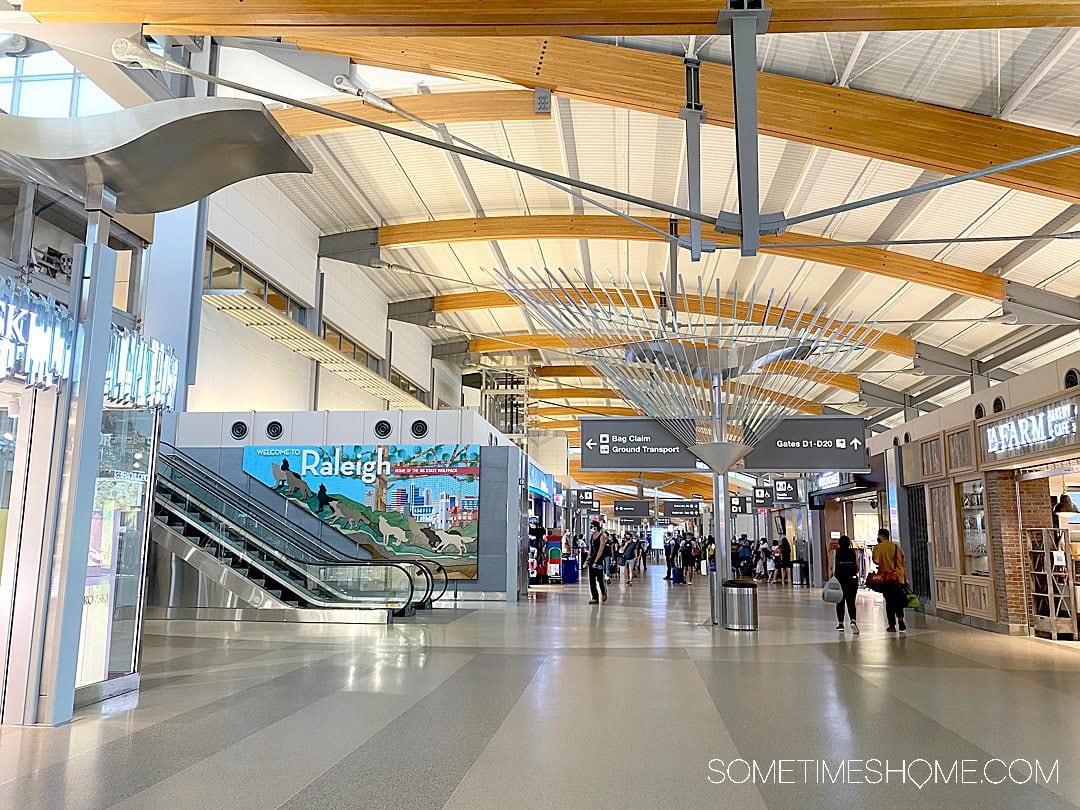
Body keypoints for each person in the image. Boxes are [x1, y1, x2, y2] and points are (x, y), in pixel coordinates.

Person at [872, 528, 907, 633]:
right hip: (899, 578)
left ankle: (892, 625)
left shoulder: (878, 548)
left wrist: (883, 562)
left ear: (881, 536)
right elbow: (903, 562)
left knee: (889, 602)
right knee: (898, 600)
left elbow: (876, 561)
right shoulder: (897, 548)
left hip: (887, 578)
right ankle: (901, 620)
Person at [833, 535, 860, 634]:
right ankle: (853, 620)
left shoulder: (836, 552)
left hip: (840, 580)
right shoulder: (853, 552)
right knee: (851, 602)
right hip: (851, 580)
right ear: (849, 543)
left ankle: (840, 624)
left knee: (840, 601)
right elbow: (857, 566)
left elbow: (832, 567)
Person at [587, 521, 609, 605]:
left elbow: (601, 549)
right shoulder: (592, 536)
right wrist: (588, 558)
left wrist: (596, 560)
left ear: (597, 527)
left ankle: (603, 592)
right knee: (591, 579)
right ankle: (594, 597)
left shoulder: (602, 536)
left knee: (600, 579)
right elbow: (591, 548)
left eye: (593, 526)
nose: (592, 528)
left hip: (598, 560)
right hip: (592, 559)